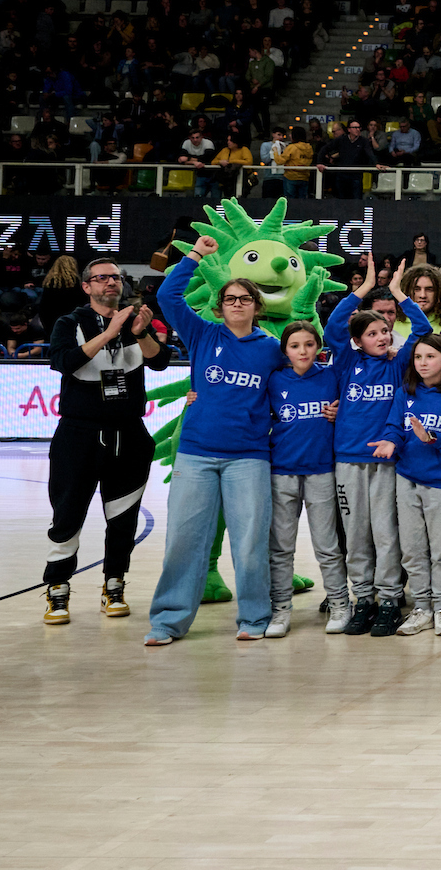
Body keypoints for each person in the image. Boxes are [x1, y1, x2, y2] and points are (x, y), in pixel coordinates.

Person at [146, 238, 281, 645]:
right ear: (219, 307)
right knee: (184, 541)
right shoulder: (203, 335)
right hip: (197, 454)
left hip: (249, 458)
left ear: (257, 307)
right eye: (230, 299)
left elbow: (293, 389)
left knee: (251, 543)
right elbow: (167, 294)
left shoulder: (273, 351)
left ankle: (255, 618)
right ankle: (167, 621)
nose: (237, 304)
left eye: (245, 299)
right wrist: (194, 256)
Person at [42, 256, 169, 626]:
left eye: (115, 278)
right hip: (78, 435)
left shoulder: (136, 320)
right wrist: (110, 332)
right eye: (101, 278)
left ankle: (114, 584)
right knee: (67, 515)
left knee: (123, 518)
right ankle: (57, 590)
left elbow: (160, 362)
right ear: (86, 287)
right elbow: (64, 361)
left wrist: (141, 332)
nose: (110, 283)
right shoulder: (69, 322)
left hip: (129, 433)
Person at [327, 258, 434, 638]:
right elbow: (333, 325)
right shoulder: (346, 362)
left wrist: (400, 294)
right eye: (374, 333)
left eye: (386, 331)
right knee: (355, 534)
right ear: (358, 340)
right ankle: (364, 599)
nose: (383, 337)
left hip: (387, 460)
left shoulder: (397, 363)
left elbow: (421, 327)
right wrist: (364, 287)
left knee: (387, 534)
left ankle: (389, 600)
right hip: (348, 461)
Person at [377, 333, 441, 637]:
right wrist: (391, 443)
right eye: (418, 357)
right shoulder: (404, 392)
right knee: (412, 549)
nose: (422, 363)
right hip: (407, 480)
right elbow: (394, 427)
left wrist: (431, 437)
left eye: (429, 357)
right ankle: (422, 607)